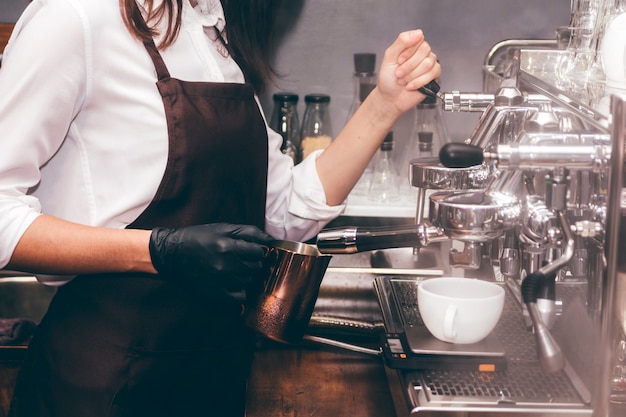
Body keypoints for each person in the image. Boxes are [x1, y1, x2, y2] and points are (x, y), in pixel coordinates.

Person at [0, 0, 440, 416]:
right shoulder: (74, 18)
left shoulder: (209, 34)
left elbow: (285, 212)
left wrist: (385, 104)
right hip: (104, 381)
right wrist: (157, 250)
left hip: (211, 377)